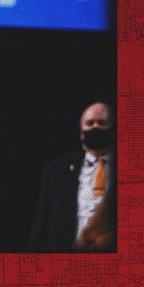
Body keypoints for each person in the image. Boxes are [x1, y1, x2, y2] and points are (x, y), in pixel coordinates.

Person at [28, 102, 115, 252]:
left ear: (113, 130)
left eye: (102, 123)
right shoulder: (57, 171)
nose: (95, 127)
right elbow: (42, 225)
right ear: (81, 133)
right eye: (90, 123)